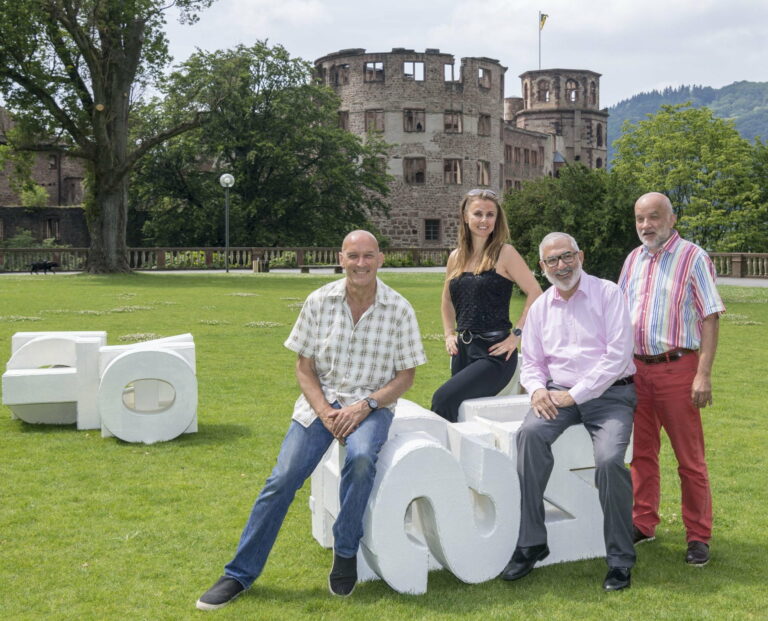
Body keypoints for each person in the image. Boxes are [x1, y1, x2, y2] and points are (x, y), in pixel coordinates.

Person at [196, 231, 427, 610]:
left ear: (381, 259)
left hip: (370, 405)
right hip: (321, 405)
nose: (361, 264)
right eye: (353, 256)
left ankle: (346, 548)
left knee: (363, 457)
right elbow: (303, 367)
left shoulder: (399, 309)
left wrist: (364, 406)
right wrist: (324, 411)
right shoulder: (319, 301)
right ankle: (239, 574)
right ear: (341, 258)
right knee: (282, 479)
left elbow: (406, 376)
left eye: (368, 256)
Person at [501, 232, 637, 592]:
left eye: (566, 257)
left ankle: (620, 559)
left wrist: (574, 395)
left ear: (581, 255)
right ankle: (531, 542)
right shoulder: (542, 307)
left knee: (609, 460)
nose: (561, 266)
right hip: (557, 395)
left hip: (610, 396)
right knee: (528, 436)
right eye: (552, 261)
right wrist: (537, 390)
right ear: (542, 267)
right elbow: (531, 363)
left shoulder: (608, 294)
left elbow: (618, 356)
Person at [619, 192, 725, 567]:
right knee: (642, 455)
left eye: (653, 217)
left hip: (678, 369)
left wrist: (704, 374)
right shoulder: (633, 259)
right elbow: (619, 314)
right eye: (639, 219)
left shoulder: (693, 257)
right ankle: (643, 522)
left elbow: (711, 316)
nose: (646, 226)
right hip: (636, 371)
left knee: (689, 459)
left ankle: (698, 535)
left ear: (671, 218)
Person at [431, 188, 541, 422]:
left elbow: (535, 293)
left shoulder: (505, 253)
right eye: (478, 213)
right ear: (465, 216)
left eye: (490, 215)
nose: (484, 220)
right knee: (462, 415)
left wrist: (516, 335)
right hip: (463, 351)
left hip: (495, 354)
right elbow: (447, 300)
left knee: (443, 399)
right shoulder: (456, 257)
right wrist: (449, 334)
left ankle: (438, 457)